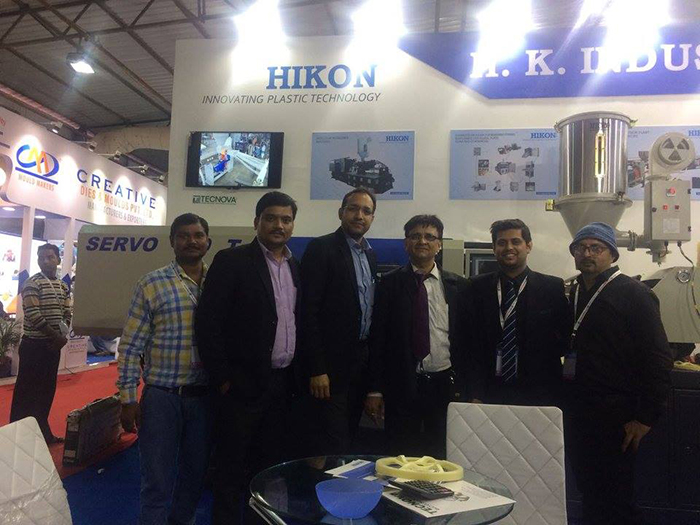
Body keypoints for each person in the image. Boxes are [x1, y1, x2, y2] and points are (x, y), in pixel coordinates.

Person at [195, 191, 301, 525]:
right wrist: (224, 379)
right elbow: (208, 323)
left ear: (292, 225)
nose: (278, 225)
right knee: (230, 469)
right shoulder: (233, 261)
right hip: (240, 387)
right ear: (256, 222)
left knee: (269, 469)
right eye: (271, 218)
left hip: (281, 385)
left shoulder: (295, 265)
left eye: (285, 219)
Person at [565, 222, 672, 525]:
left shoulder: (635, 294)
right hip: (579, 413)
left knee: (616, 497)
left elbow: (658, 359)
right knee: (589, 490)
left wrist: (645, 418)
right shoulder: (574, 291)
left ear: (612, 254)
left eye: (596, 248)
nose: (587, 253)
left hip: (616, 417)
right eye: (580, 247)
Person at [116, 213, 213, 525]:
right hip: (162, 397)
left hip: (205, 399)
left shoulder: (219, 282)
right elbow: (130, 346)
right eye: (183, 235)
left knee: (195, 476)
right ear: (172, 242)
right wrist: (128, 398)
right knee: (156, 479)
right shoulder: (151, 284)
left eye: (198, 235)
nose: (191, 241)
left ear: (208, 241)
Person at [366, 215, 468, 459]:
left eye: (430, 237)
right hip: (401, 385)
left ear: (439, 244)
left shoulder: (459, 286)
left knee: (441, 454)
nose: (422, 241)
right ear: (406, 243)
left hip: (444, 384)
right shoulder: (388, 284)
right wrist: (375, 390)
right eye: (415, 236)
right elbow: (378, 339)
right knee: (400, 455)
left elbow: (467, 341)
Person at [300, 187, 378, 455]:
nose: (359, 215)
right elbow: (307, 311)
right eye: (353, 209)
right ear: (341, 212)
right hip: (328, 369)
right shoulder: (321, 248)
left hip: (359, 365)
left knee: (350, 439)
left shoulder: (370, 255)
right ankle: (321, 483)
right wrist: (316, 369)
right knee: (328, 443)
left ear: (372, 218)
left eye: (366, 211)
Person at [468, 219, 570, 406]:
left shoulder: (552, 288)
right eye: (502, 243)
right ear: (494, 248)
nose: (509, 247)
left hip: (539, 393)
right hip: (489, 391)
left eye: (515, 241)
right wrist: (475, 391)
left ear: (528, 246)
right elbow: (470, 344)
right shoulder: (476, 287)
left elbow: (564, 340)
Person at [9, 243, 71, 444]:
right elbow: (33, 314)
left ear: (58, 260)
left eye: (50, 257)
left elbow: (66, 312)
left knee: (46, 393)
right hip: (34, 346)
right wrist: (56, 337)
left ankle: (43, 433)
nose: (45, 261)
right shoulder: (31, 283)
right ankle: (17, 438)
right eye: (41, 258)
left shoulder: (63, 286)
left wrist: (62, 335)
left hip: (52, 348)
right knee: (26, 393)